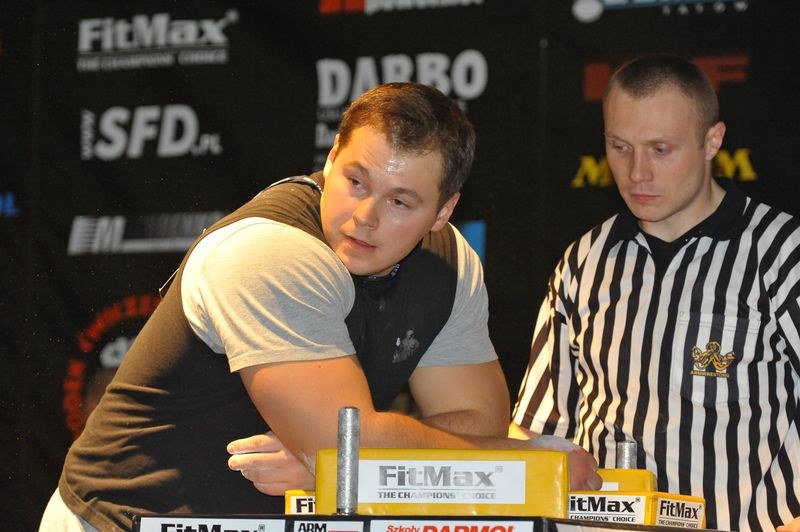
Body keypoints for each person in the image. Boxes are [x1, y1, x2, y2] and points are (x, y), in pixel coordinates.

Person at [41, 82, 600, 532]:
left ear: (442, 211)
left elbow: (477, 423)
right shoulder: (269, 251)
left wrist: (342, 462)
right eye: (356, 181)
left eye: (400, 201)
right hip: (121, 518)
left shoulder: (450, 264)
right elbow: (346, 448)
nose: (365, 217)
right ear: (331, 158)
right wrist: (342, 460)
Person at [511, 54, 800, 531]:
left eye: (661, 149)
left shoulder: (781, 254)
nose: (637, 172)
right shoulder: (583, 262)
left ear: (713, 141)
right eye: (619, 147)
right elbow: (536, 432)